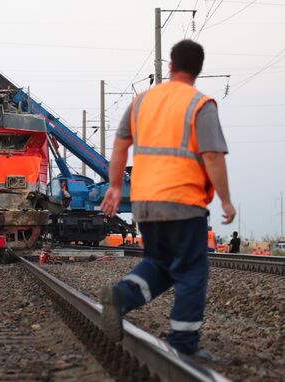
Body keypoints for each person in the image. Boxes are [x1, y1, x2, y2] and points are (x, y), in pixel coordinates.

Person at [100, 40, 236, 358]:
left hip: (145, 204)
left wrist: (116, 187)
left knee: (160, 264)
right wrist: (226, 201)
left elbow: (120, 145)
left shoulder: (142, 101)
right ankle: (184, 346)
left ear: (171, 66)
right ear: (198, 70)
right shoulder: (200, 104)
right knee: (191, 271)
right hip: (183, 201)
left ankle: (121, 296)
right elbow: (213, 156)